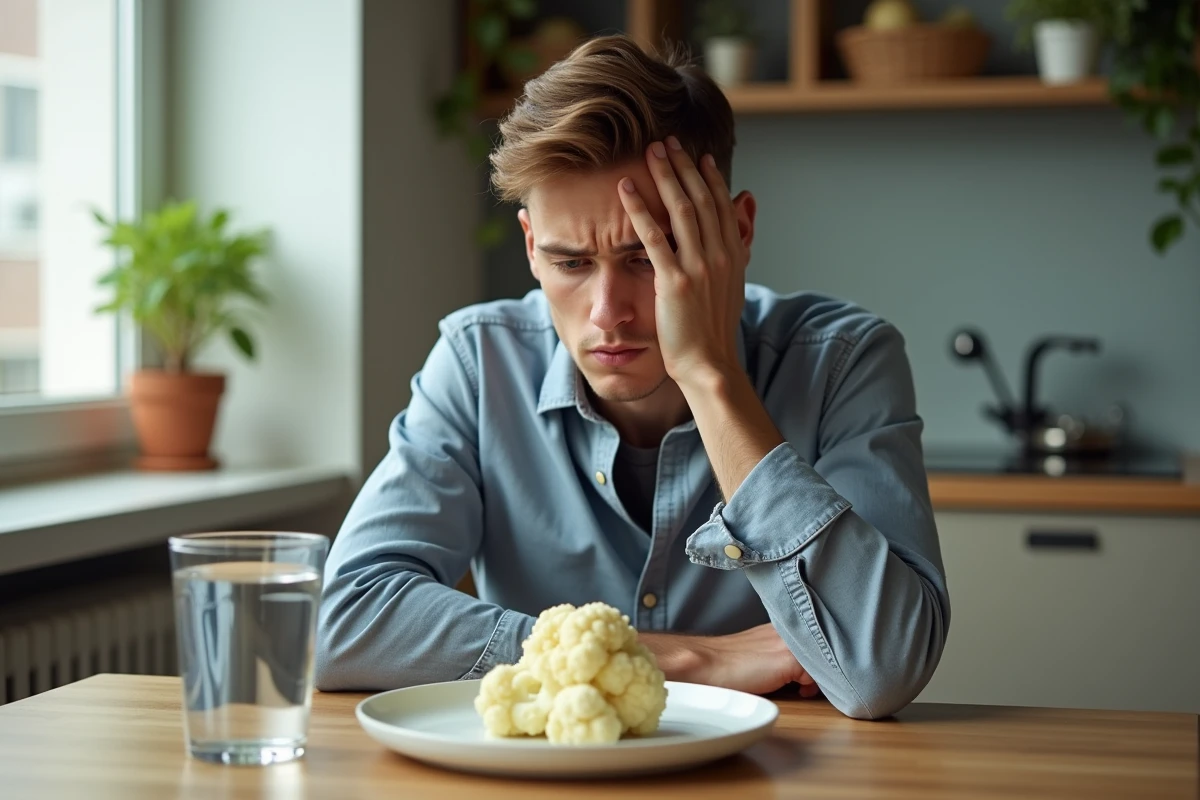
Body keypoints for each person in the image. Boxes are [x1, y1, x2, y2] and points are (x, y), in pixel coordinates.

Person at [315, 34, 949, 720]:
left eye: (648, 257)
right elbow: (343, 623)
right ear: (531, 247)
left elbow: (880, 668)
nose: (608, 313)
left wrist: (710, 376)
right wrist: (670, 656)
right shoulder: (478, 362)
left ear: (736, 235)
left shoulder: (842, 361)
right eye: (570, 263)